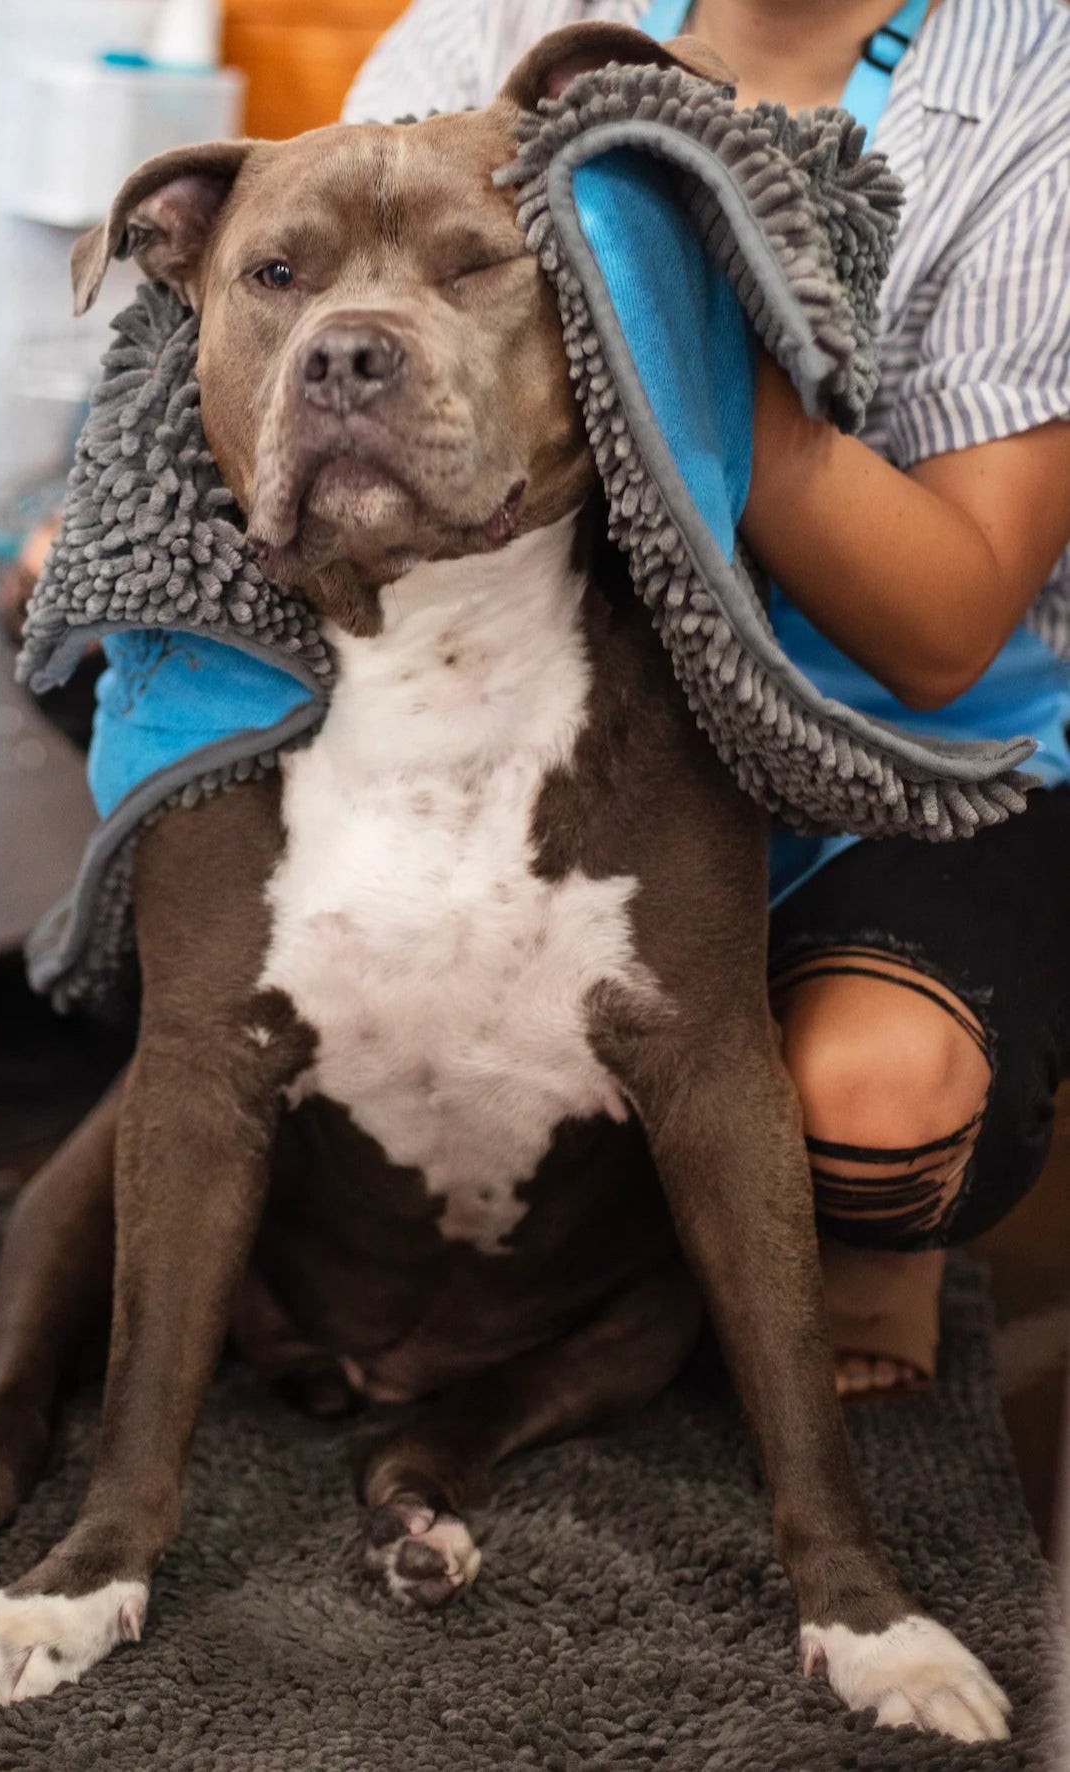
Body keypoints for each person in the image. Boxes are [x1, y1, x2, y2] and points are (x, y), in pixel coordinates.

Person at [346, 0, 1070, 1395]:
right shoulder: (504, 20)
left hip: (911, 751)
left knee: (875, 1114)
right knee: (125, 672)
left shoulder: (1037, 83)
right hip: (545, 696)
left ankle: (828, 1224)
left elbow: (948, 628)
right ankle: (612, 1192)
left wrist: (676, 314)